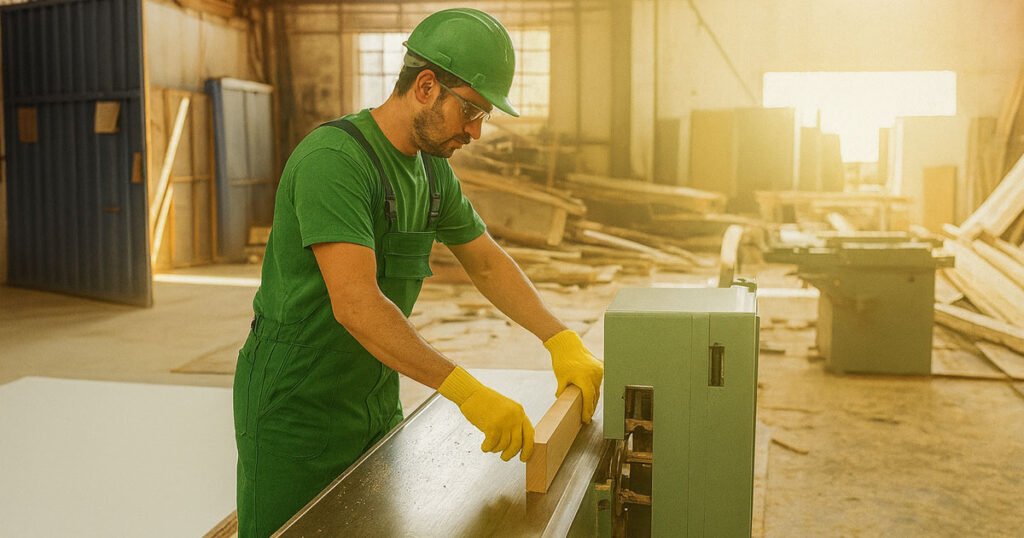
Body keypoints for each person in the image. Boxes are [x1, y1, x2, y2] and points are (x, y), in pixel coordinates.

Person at [232, 8, 604, 537]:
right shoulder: (335, 160)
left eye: (485, 117)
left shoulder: (431, 171)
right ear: (426, 86)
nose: (475, 132)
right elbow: (357, 306)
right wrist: (466, 391)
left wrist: (560, 337)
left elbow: (486, 261)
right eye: (471, 111)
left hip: (373, 397)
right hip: (297, 408)